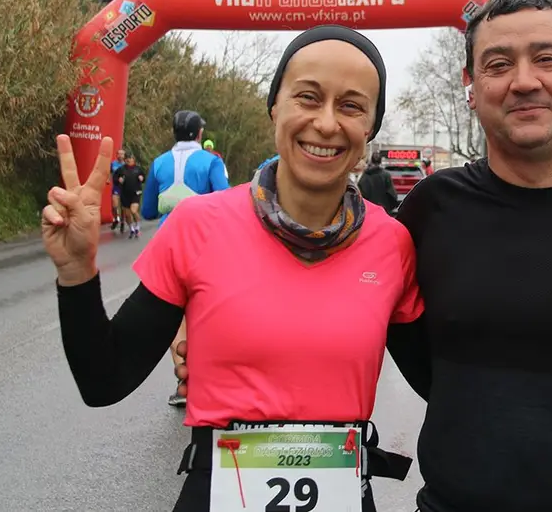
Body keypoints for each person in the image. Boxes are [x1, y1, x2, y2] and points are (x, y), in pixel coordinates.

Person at [177, 0, 552, 512]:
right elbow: (345, 295)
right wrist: (210, 326)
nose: (524, 80)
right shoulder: (433, 210)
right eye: (498, 64)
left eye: (546, 58)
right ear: (472, 86)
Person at [45, 26, 422, 512]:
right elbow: (105, 382)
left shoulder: (392, 245)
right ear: (275, 107)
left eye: (351, 106)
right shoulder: (199, 225)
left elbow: (447, 383)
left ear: (370, 127)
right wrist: (77, 273)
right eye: (307, 97)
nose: (326, 123)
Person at [140, 109, 231, 406]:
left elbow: (148, 211)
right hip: (205, 245)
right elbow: (225, 200)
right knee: (206, 311)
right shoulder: (211, 161)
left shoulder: (159, 163)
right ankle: (209, 378)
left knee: (174, 314)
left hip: (168, 244)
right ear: (200, 134)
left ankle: (184, 380)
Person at [112, 151, 146, 239]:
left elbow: (143, 177)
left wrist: (142, 178)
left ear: (133, 159)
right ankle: (131, 229)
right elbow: (114, 178)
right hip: (125, 194)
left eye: (130, 158)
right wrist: (118, 180)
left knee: (133, 211)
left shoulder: (138, 169)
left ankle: (138, 226)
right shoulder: (121, 169)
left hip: (136, 193)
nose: (128, 160)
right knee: (127, 214)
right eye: (126, 158)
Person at [110, 148, 126, 234]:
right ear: (117, 155)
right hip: (116, 187)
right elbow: (109, 172)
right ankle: (116, 219)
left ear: (124, 155)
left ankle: (122, 222)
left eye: (122, 154)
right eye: (119, 154)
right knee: (114, 205)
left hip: (124, 188)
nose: (120, 156)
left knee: (123, 207)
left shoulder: (126, 165)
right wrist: (108, 180)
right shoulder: (113, 164)